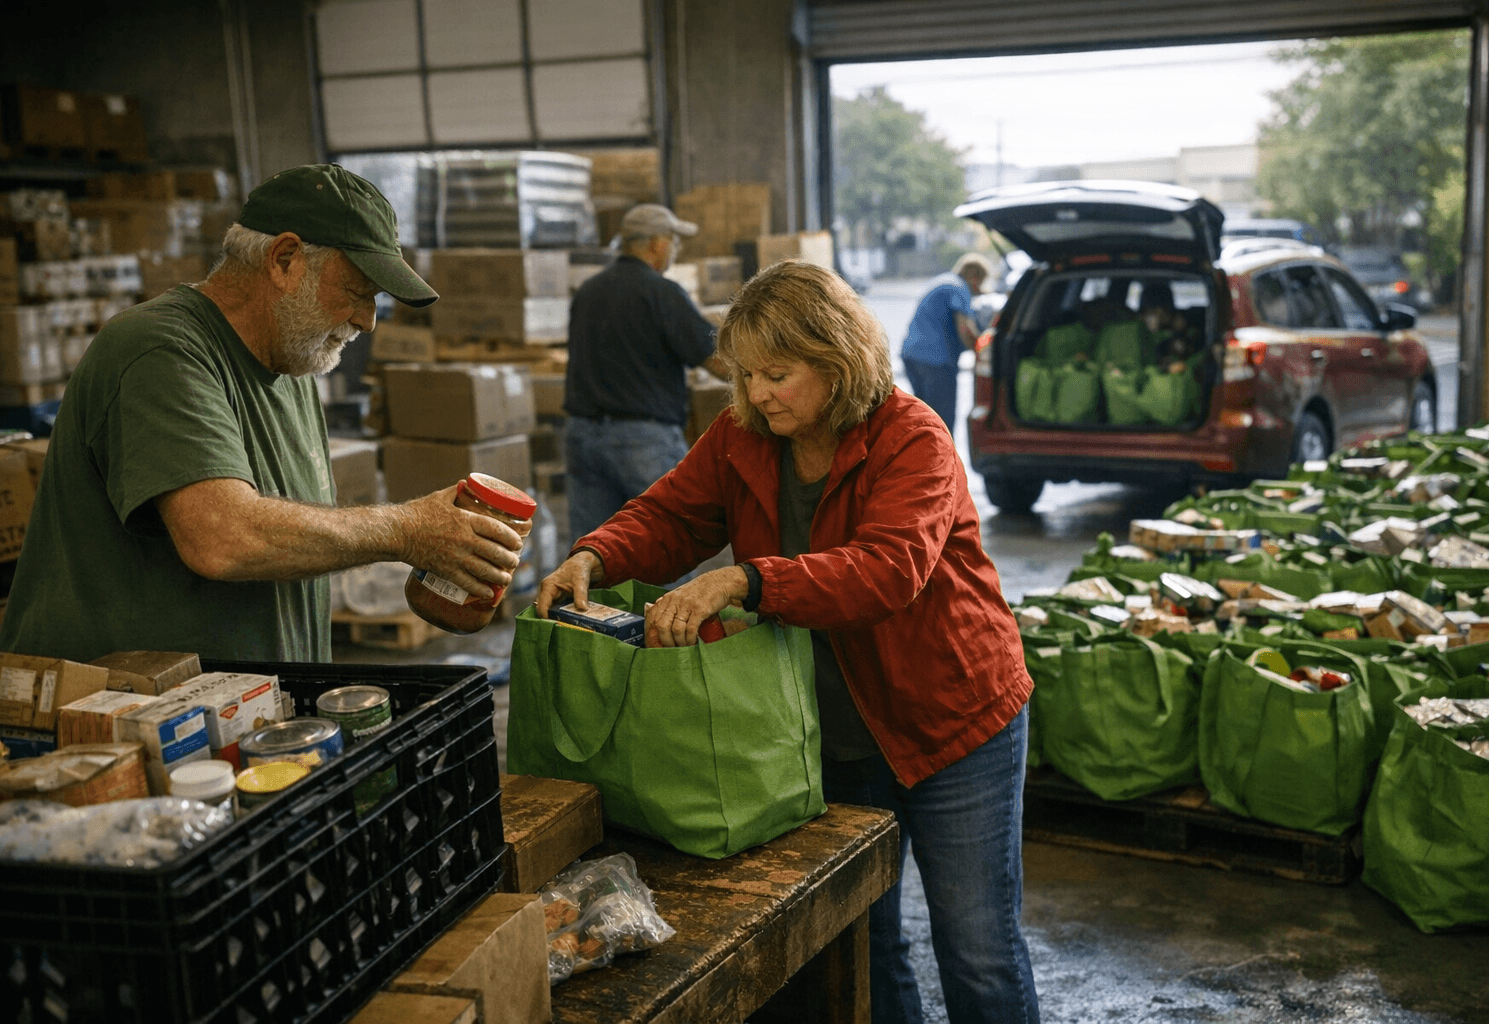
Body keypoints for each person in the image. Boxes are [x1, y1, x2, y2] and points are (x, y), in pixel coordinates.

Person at [537, 260, 1040, 1023]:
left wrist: (745, 581)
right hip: (834, 734)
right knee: (863, 940)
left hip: (953, 724)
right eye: (747, 374)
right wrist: (596, 554)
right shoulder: (743, 436)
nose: (760, 392)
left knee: (977, 948)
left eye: (779, 373)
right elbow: (673, 514)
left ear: (837, 362)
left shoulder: (914, 439)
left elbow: (887, 570)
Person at [0, 164, 524, 664]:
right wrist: (406, 531)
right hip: (120, 719)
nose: (366, 322)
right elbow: (223, 539)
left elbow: (291, 538)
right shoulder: (158, 350)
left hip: (242, 718)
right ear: (284, 260)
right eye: (357, 292)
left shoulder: (292, 363)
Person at [562, 202, 729, 540]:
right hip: (642, 441)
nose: (677, 250)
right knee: (669, 543)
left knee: (594, 552)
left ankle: (586, 597)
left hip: (582, 435)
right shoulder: (662, 293)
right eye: (675, 242)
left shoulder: (588, 291)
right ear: (658, 243)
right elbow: (717, 362)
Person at [899, 252, 991, 433]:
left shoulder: (944, 281)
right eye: (980, 282)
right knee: (942, 420)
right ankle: (942, 458)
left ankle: (923, 457)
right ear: (974, 275)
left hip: (912, 356)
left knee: (924, 416)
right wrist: (983, 353)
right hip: (935, 361)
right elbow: (965, 329)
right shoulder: (959, 288)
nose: (979, 288)